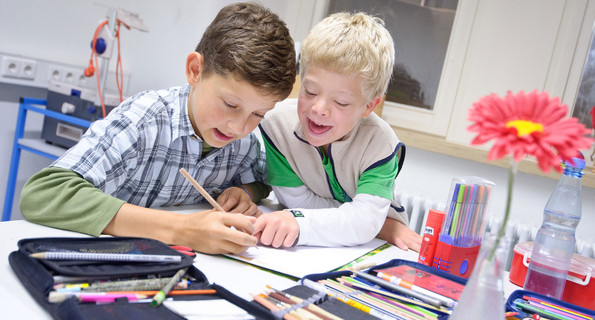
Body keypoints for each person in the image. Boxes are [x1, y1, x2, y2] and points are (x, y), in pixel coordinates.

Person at [20, 2, 296, 254]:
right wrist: (181, 230)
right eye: (229, 104)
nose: (238, 127)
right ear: (195, 71)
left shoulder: (243, 141)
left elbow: (264, 179)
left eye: (258, 114)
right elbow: (43, 193)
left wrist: (246, 192)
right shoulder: (144, 121)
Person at [254, 11, 421, 251]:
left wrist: (369, 225)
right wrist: (374, 223)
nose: (319, 109)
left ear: (369, 106)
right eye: (310, 91)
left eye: (341, 102)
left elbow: (364, 222)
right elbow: (296, 201)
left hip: (372, 249)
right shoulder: (276, 126)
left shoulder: (381, 143)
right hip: (305, 251)